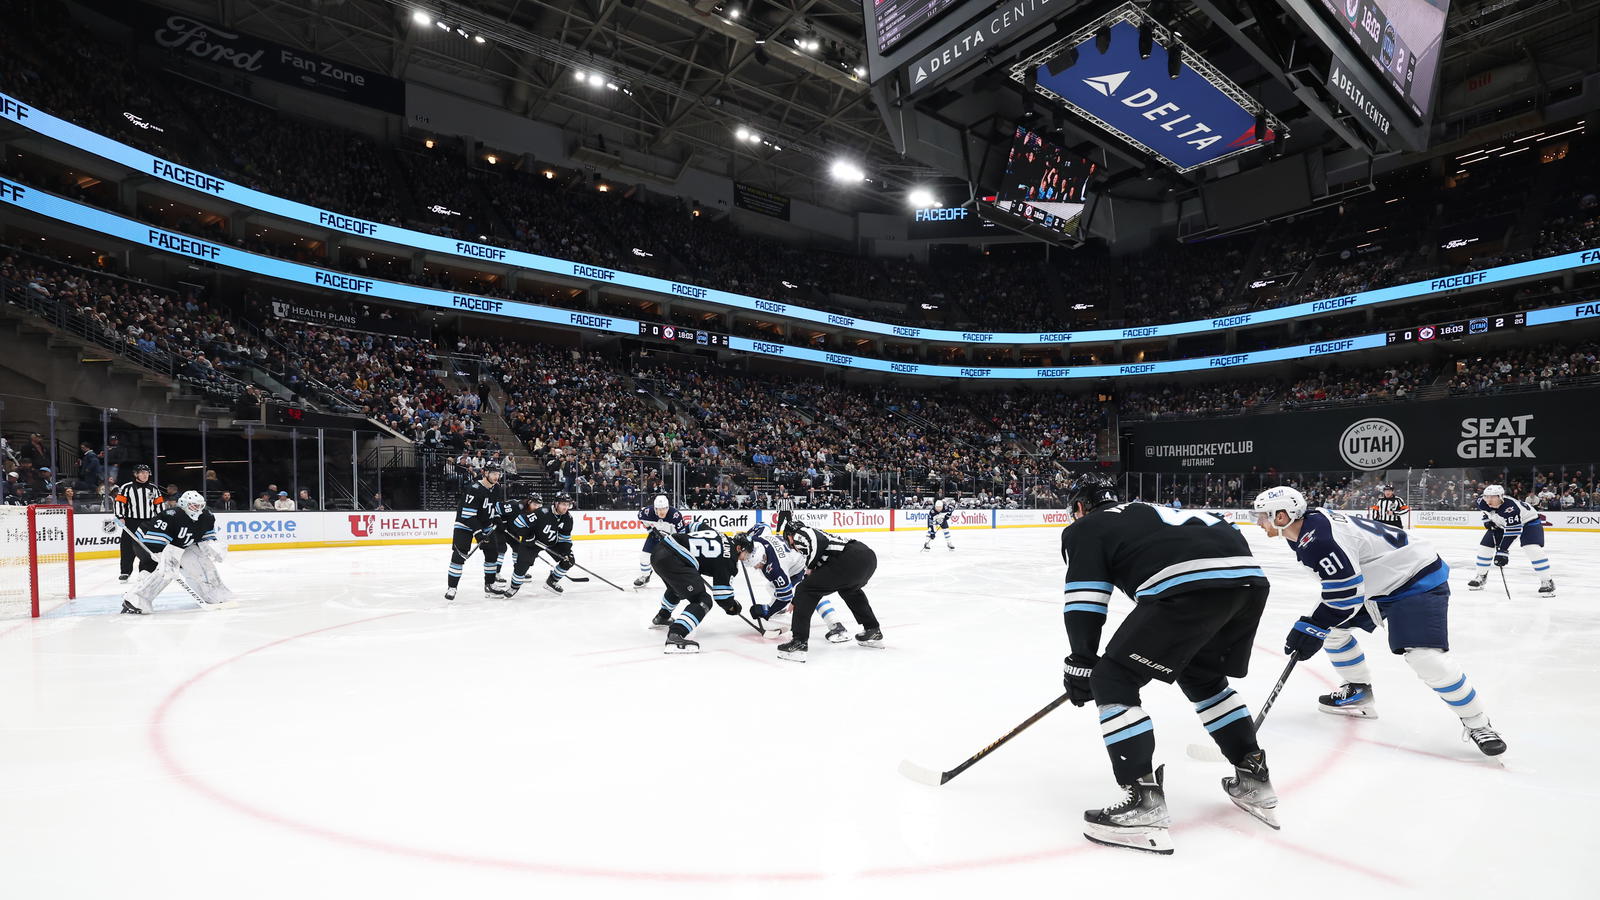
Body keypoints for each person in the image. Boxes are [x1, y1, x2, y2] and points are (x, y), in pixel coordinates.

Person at [1059, 479, 1276, 855]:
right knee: (1204, 677)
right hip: (1248, 584)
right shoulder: (1150, 512)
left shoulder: (1086, 526)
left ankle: (1142, 802)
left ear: (1080, 507)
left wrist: (1082, 661)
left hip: (1188, 587)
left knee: (1113, 678)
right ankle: (1254, 777)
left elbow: (1086, 599)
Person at [1252, 486, 1506, 757]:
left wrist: (1313, 627)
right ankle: (1358, 690)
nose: (1259, 522)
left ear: (1282, 516)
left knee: (1425, 658)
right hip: (1378, 581)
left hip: (1415, 580)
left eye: (1263, 516)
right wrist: (1317, 626)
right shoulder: (1304, 530)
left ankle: (1478, 722)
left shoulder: (1319, 539)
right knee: (1334, 632)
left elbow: (1346, 597)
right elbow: (1345, 588)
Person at [774, 518, 882, 663]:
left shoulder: (801, 533)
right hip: (866, 558)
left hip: (850, 558)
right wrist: (796, 599)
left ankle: (798, 642)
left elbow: (817, 540)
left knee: (805, 590)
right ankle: (872, 629)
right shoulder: (818, 550)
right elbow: (817, 582)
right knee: (850, 590)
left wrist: (809, 568)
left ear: (789, 535)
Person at [730, 523, 848, 643]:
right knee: (771, 586)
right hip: (792, 560)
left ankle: (836, 625)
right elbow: (763, 526)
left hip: (801, 567)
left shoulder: (776, 568)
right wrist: (746, 539)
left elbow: (785, 596)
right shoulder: (757, 539)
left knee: (810, 592)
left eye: (756, 565)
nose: (756, 568)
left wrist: (767, 611)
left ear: (762, 558)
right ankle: (779, 610)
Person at [121, 490, 234, 614]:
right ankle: (136, 599)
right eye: (194, 505)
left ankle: (213, 593)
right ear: (184, 505)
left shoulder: (206, 516)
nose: (198, 509)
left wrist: (214, 548)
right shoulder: (171, 515)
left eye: (200, 505)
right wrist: (163, 558)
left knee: (201, 561)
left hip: (181, 546)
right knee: (167, 570)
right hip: (148, 544)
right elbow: (154, 540)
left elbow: (205, 539)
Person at [649, 524, 742, 653]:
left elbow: (695, 525)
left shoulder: (719, 534)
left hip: (659, 551)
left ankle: (662, 617)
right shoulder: (730, 559)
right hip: (674, 559)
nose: (746, 558)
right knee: (703, 600)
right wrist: (733, 607)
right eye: (746, 553)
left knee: (677, 587)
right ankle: (675, 635)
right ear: (739, 548)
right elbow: (722, 597)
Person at [1470, 484, 1553, 595]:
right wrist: (1487, 520)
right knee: (1485, 547)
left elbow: (1513, 531)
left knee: (1532, 548)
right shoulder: (1481, 501)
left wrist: (1502, 551)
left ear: (1500, 496)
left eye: (1493, 497)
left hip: (1529, 522)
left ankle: (1547, 581)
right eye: (1487, 496)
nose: (1489, 500)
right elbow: (1485, 512)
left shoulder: (1510, 508)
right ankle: (1481, 576)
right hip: (1501, 523)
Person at [443, 461, 506, 601]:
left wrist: (496, 517)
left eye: (498, 474)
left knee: (492, 553)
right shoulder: (474, 488)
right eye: (494, 473)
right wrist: (478, 533)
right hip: (465, 524)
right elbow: (468, 515)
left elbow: (493, 506)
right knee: (459, 555)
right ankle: (452, 587)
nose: (497, 477)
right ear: (485, 473)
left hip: (485, 524)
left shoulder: (497, 488)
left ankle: (489, 585)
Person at [114, 463, 164, 583]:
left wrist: (161, 518)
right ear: (136, 474)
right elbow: (119, 503)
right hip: (131, 522)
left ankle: (145, 570)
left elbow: (159, 505)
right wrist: (120, 517)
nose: (144, 475)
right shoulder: (127, 487)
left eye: (146, 473)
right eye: (141, 472)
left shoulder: (154, 488)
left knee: (147, 547)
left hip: (149, 522)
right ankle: (125, 571)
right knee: (127, 547)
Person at [633, 494, 690, 587]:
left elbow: (682, 534)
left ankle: (681, 578)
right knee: (644, 557)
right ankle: (645, 576)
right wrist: (650, 530)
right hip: (654, 536)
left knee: (674, 561)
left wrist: (674, 541)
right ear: (655, 508)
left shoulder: (675, 515)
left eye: (664, 509)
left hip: (671, 539)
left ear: (668, 507)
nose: (661, 512)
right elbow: (641, 518)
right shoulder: (647, 512)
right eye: (659, 509)